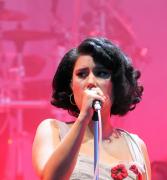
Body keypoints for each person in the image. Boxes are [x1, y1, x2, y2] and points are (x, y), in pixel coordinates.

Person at [32, 37, 151, 180]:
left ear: (117, 84)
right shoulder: (52, 130)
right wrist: (83, 117)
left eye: (101, 73)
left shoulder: (136, 145)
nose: (91, 82)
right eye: (82, 74)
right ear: (71, 85)